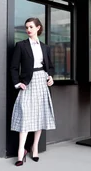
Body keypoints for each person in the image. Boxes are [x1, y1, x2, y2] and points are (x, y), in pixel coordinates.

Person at [10, 17, 56, 166]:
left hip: (41, 82)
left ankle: (34, 146)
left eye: (31, 27)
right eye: (26, 27)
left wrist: (50, 77)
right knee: (25, 116)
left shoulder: (45, 47)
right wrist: (17, 83)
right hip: (28, 83)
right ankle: (20, 151)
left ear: (38, 28)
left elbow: (50, 67)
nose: (28, 30)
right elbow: (14, 67)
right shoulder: (21, 46)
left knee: (39, 115)